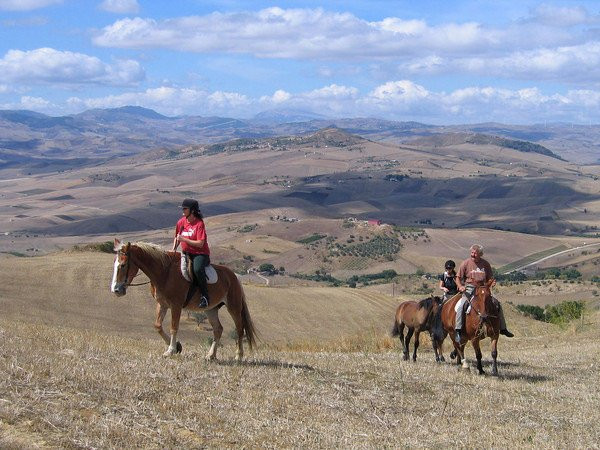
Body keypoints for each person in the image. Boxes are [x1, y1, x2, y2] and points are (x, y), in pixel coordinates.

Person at [454, 244, 514, 343]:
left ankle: (503, 328)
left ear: (480, 254)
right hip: (470, 288)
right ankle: (458, 331)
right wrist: (460, 286)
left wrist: (492, 282)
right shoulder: (465, 263)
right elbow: (457, 278)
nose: (472, 255)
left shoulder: (485, 264)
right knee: (461, 306)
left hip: (483, 288)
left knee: (497, 303)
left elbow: (490, 277)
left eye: (475, 253)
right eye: (472, 252)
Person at [172, 198, 210, 308]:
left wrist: (184, 240)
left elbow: (200, 243)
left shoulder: (199, 224)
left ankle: (205, 296)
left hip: (200, 254)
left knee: (197, 269)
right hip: (185, 253)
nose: (183, 211)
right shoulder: (181, 222)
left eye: (185, 209)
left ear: (192, 210)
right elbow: (177, 237)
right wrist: (173, 249)